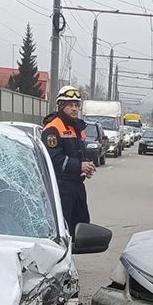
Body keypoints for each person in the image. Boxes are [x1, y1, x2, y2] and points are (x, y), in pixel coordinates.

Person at [42, 85, 96, 232]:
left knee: (81, 227)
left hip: (77, 186)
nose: (74, 109)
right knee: (64, 229)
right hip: (61, 188)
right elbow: (54, 159)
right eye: (70, 105)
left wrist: (87, 167)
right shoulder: (53, 129)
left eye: (76, 105)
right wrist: (79, 166)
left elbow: (79, 155)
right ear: (61, 106)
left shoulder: (76, 128)